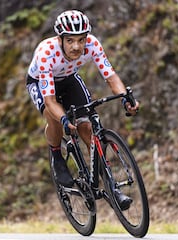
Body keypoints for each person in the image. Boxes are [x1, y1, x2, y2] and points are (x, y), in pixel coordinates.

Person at [26, 10, 139, 210]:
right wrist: (63, 120)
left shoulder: (93, 45)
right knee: (54, 119)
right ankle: (56, 156)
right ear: (60, 39)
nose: (76, 46)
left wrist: (125, 99)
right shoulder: (46, 52)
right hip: (41, 82)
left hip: (69, 79)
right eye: (70, 41)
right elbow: (50, 101)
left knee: (86, 126)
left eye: (81, 40)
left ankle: (111, 187)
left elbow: (111, 77)